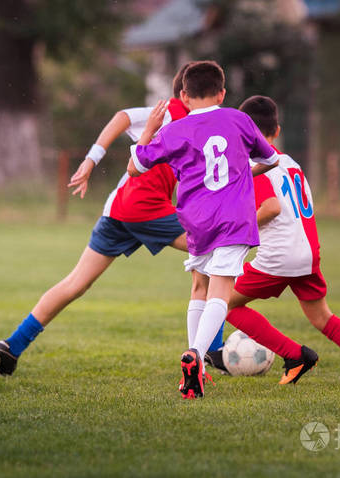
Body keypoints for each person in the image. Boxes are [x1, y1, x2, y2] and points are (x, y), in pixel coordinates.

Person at [0, 63, 223, 377]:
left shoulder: (200, 122)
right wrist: (90, 160)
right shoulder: (171, 112)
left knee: (76, 283)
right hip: (145, 207)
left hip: (119, 209)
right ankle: (212, 352)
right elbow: (122, 117)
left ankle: (11, 347)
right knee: (214, 255)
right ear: (185, 95)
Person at [207, 95, 340, 386]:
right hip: (308, 253)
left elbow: (270, 208)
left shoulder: (253, 163)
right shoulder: (291, 163)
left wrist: (232, 228)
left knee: (224, 304)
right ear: (277, 131)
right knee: (323, 318)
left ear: (241, 131)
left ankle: (295, 355)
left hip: (279, 257)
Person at [128, 61, 280, 399]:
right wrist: (241, 173)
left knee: (200, 285)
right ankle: (196, 355)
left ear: (183, 94)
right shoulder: (239, 119)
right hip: (233, 218)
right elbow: (271, 160)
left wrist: (149, 129)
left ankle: (196, 367)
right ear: (223, 93)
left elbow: (134, 167)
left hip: (196, 220)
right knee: (221, 292)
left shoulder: (175, 129)